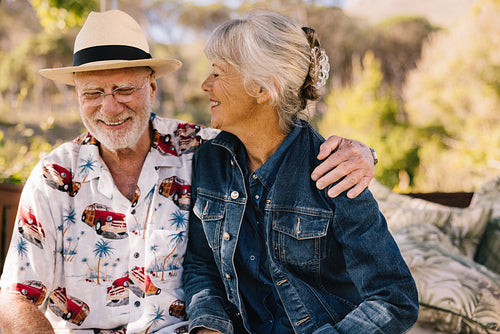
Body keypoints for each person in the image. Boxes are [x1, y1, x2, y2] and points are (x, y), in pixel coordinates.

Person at [0, 9, 377, 334]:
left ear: (152, 87)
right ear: (77, 97)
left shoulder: (208, 150)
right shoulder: (54, 175)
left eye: (123, 89)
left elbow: (281, 142)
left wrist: (364, 154)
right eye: (93, 93)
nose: (109, 108)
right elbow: (17, 298)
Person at [183, 9, 419, 334]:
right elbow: (201, 264)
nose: (205, 85)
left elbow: (394, 298)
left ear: (264, 90)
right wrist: (209, 326)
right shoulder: (208, 159)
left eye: (218, 74)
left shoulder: (334, 169)